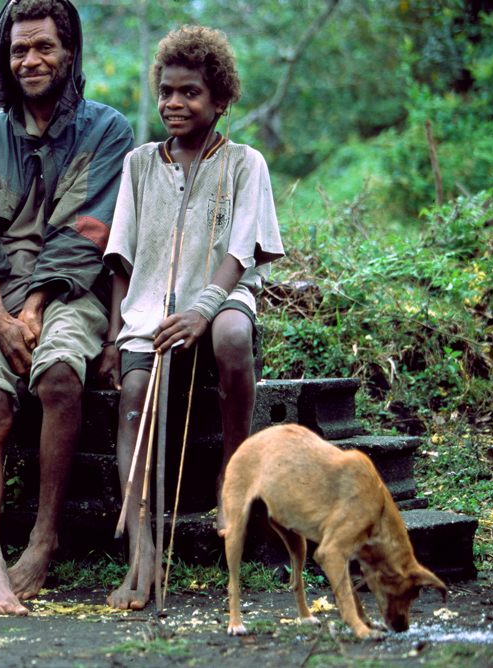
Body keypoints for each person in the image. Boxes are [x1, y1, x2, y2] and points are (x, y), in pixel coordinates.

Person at [0, 0, 134, 615]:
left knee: (56, 376)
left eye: (44, 47)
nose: (31, 60)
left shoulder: (108, 131)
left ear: (69, 52)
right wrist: (0, 315)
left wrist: (39, 306)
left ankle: (45, 537)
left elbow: (89, 230)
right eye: (20, 49)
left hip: (72, 290)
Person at [102, 25, 285, 610]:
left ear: (220, 100)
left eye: (190, 94)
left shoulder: (243, 163)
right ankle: (144, 551)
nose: (174, 104)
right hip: (152, 308)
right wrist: (115, 335)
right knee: (134, 395)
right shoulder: (137, 165)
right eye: (166, 92)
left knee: (233, 339)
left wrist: (204, 310)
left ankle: (235, 478)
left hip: (222, 295)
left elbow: (241, 251)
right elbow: (122, 261)